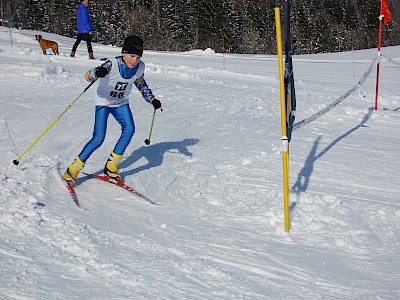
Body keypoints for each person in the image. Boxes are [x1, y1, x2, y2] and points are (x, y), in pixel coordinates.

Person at [63, 35, 162, 184]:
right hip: (103, 102)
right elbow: (88, 76)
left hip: (121, 103)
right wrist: (97, 73)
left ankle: (111, 166)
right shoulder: (112, 64)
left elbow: (141, 84)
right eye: (131, 55)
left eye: (137, 56)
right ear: (124, 53)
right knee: (98, 138)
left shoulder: (139, 67)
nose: (134, 60)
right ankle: (73, 169)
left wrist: (152, 99)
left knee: (129, 129)